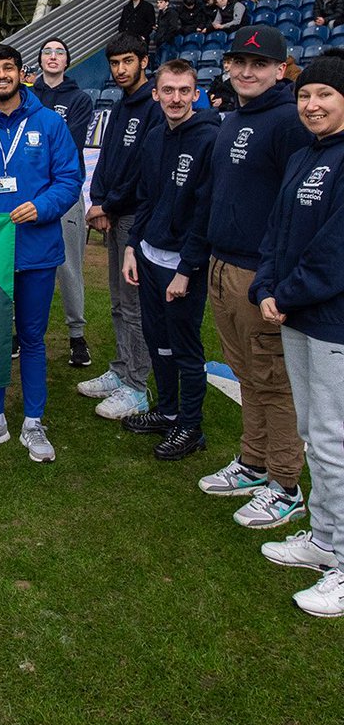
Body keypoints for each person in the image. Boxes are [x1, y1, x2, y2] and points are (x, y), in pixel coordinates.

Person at [193, 26, 310, 527]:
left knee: (272, 380)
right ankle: (252, 461)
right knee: (247, 374)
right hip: (223, 264)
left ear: (281, 69)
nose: (246, 71)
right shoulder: (234, 118)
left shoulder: (290, 122)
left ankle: (286, 485)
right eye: (238, 62)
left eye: (259, 64)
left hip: (257, 273)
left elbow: (296, 210)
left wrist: (274, 275)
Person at [0, 44, 80, 460]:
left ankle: (34, 423)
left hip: (38, 250)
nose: (1, 75)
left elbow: (69, 179)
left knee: (34, 338)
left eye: (8, 68)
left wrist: (42, 207)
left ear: (22, 74)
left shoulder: (48, 123)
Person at [250, 50, 344, 617]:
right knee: (315, 431)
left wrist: (284, 293)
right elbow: (278, 229)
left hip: (330, 319)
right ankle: (323, 538)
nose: (312, 104)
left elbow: (335, 252)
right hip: (295, 315)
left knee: (335, 440)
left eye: (325, 96)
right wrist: (266, 282)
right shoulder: (307, 155)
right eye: (305, 95)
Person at [120, 60, 219, 460]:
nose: (175, 98)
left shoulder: (210, 139)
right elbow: (146, 198)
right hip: (147, 255)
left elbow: (205, 212)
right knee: (157, 341)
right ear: (156, 93)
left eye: (184, 91)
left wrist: (187, 268)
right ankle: (168, 410)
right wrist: (131, 245)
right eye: (168, 91)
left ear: (195, 94)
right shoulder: (155, 136)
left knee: (184, 346)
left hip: (182, 265)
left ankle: (190, 427)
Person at [82, 34, 164, 419]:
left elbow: (141, 172)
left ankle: (137, 385)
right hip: (113, 213)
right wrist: (97, 201)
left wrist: (108, 205)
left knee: (133, 306)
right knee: (117, 300)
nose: (120, 70)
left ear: (143, 62)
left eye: (127, 61)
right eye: (114, 63)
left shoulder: (152, 107)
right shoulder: (119, 107)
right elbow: (106, 160)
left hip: (133, 216)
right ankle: (120, 370)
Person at [31, 39, 94, 369]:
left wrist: (34, 145)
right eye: (47, 52)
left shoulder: (80, 99)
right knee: (22, 264)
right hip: (28, 195)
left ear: (68, 60)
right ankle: (21, 332)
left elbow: (70, 143)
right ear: (40, 60)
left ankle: (76, 335)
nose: (53, 57)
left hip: (65, 192)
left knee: (69, 266)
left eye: (59, 52)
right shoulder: (26, 96)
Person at [153, 0, 181, 66]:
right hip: (160, 41)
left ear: (167, 3)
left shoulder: (172, 13)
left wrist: (165, 38)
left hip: (167, 42)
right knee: (158, 63)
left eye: (161, 2)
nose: (158, 4)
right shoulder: (161, 13)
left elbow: (173, 28)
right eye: (158, 2)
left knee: (164, 64)